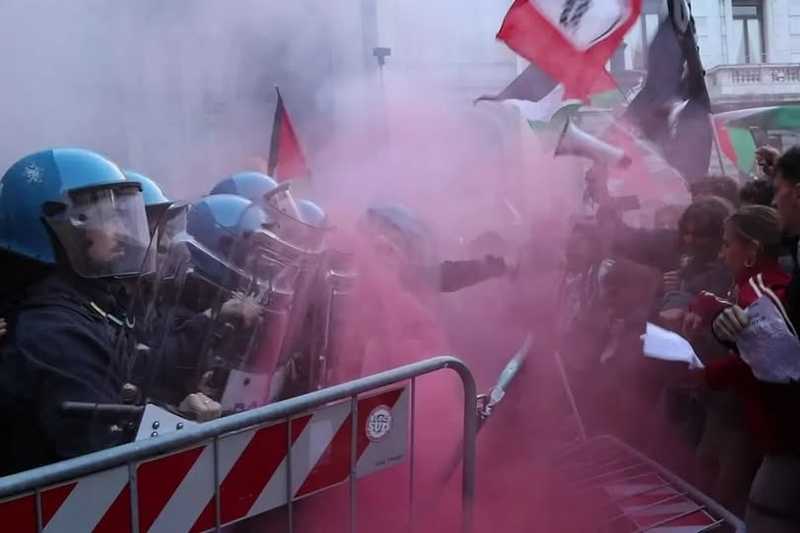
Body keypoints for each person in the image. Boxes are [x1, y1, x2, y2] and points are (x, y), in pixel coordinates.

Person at [0, 149, 156, 474]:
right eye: (105, 216)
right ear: (61, 227)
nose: (121, 231)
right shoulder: (54, 332)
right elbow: (107, 456)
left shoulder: (86, 304)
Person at [687, 203, 800, 530]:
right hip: (767, 437)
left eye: (726, 243)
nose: (722, 253)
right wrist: (706, 305)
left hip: (784, 442)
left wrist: (702, 375)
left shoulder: (768, 292)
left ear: (751, 250)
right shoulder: (749, 287)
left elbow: (773, 363)